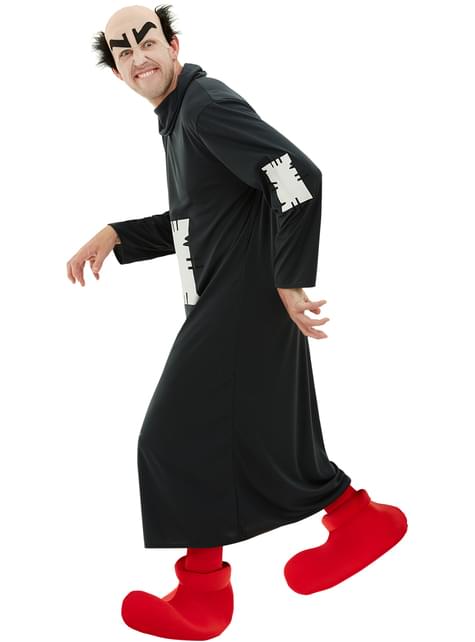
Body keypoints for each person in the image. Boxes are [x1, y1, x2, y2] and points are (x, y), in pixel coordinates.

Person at [66, 4, 408, 640]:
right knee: (264, 435)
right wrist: (118, 233)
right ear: (116, 72)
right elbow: (203, 216)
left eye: (146, 41)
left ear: (173, 45)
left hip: (244, 301)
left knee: (170, 437)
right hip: (229, 300)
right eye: (123, 51)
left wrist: (288, 278)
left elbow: (296, 176)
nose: (138, 56)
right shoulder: (179, 117)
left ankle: (204, 592)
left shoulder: (203, 106)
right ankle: (357, 521)